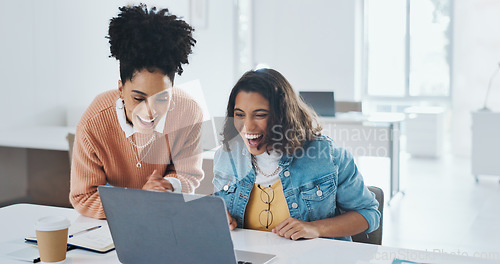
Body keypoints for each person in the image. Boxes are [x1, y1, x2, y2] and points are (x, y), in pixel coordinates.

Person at [213, 68, 380, 241]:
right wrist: (218, 216)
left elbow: (368, 214)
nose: (247, 126)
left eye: (260, 115)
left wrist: (315, 228)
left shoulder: (328, 157)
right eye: (239, 114)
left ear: (283, 115)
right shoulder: (225, 157)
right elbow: (219, 209)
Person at [70, 4, 204, 219]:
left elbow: (188, 174)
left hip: (166, 216)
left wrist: (167, 186)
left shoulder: (189, 113)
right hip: (116, 223)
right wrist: (137, 202)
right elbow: (83, 197)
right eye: (138, 98)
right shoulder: (93, 122)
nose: (150, 112)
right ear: (121, 89)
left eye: (162, 98)